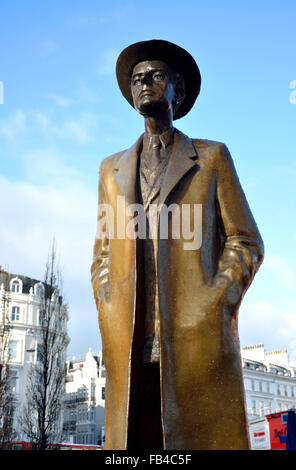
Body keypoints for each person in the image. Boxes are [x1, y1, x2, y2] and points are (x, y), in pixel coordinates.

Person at [91, 39, 264, 450]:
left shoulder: (211, 158)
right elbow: (101, 253)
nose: (144, 84)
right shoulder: (110, 170)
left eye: (156, 76)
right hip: (128, 343)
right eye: (137, 79)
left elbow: (245, 240)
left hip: (194, 341)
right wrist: (107, 299)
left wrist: (215, 300)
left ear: (178, 90)